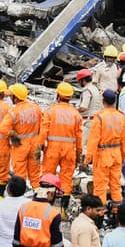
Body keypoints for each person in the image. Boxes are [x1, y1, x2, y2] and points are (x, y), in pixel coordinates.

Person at [40, 81, 84, 211]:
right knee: (66, 178)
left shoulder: (50, 111)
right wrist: (78, 153)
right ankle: (64, 210)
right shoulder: (76, 114)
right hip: (69, 150)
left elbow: (44, 131)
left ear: (58, 95)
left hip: (53, 149)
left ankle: (47, 208)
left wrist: (39, 146)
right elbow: (79, 136)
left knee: (49, 176)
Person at [85, 90, 125, 220]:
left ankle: (100, 216)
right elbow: (124, 140)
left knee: (100, 188)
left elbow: (93, 140)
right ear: (115, 101)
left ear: (103, 101)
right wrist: (123, 156)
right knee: (116, 186)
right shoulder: (121, 116)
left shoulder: (100, 117)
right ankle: (116, 215)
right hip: (116, 155)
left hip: (103, 156)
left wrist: (87, 159)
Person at [3, 83, 43, 188]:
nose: (10, 97)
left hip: (20, 146)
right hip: (34, 145)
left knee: (20, 176)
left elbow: (2, 128)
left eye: (11, 96)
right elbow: (42, 127)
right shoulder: (36, 108)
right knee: (35, 176)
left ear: (15, 98)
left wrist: (12, 134)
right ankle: (37, 196)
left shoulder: (14, 112)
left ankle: (20, 197)